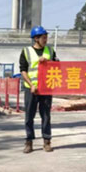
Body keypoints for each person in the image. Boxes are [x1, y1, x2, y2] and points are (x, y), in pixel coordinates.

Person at [20, 26, 58, 154]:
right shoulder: (26, 51)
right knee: (29, 116)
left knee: (46, 115)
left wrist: (49, 61)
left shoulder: (50, 51)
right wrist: (31, 85)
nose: (46, 40)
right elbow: (23, 70)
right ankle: (29, 142)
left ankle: (47, 142)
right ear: (36, 39)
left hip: (46, 89)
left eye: (46, 37)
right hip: (31, 89)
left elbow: (58, 66)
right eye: (43, 37)